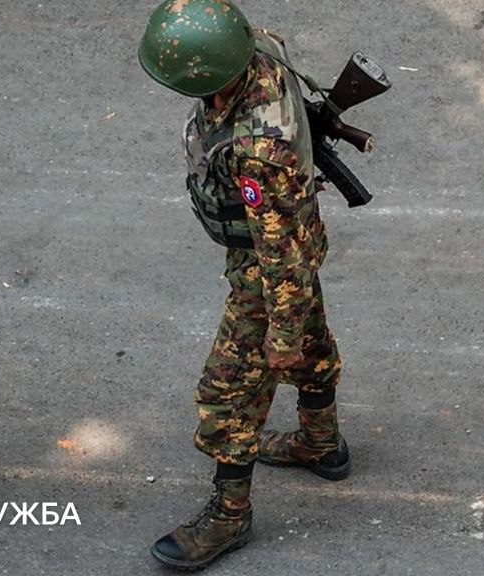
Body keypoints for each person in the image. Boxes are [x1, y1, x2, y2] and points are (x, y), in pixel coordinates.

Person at [138, 0, 350, 569]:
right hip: (289, 236)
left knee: (228, 391)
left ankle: (229, 516)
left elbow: (281, 254)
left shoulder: (259, 153)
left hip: (269, 264)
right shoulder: (254, 46)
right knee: (310, 335)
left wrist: (280, 334)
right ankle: (321, 443)